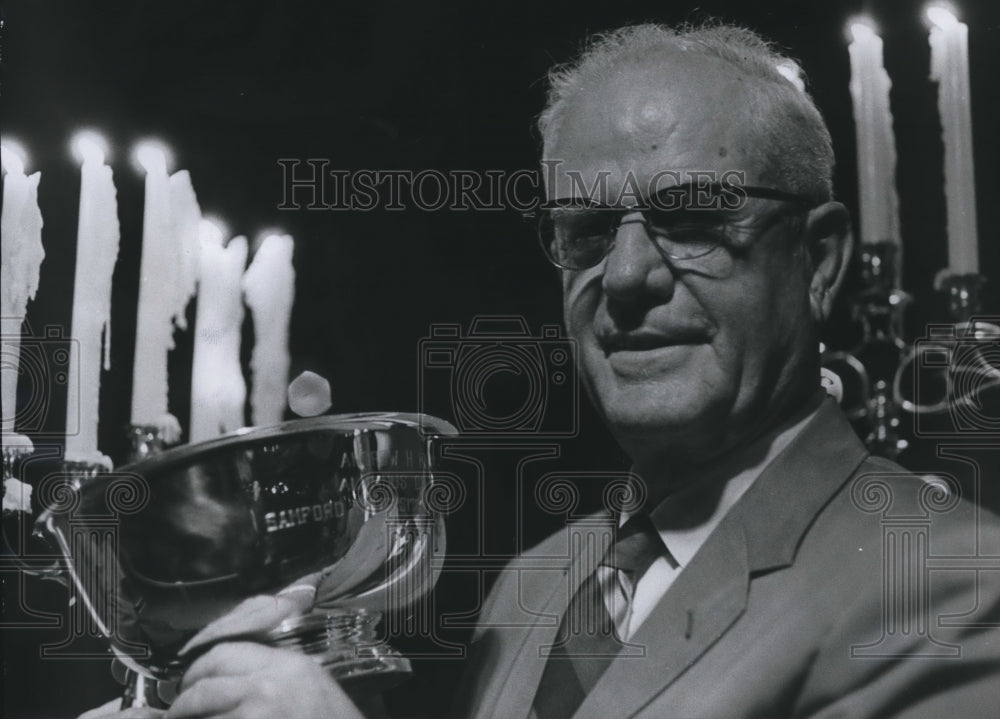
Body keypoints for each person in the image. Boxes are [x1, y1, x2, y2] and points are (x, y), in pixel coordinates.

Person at [82, 20, 999, 719]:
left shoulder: (947, 584)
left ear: (822, 260)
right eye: (589, 233)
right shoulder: (530, 587)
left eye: (690, 214)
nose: (630, 275)